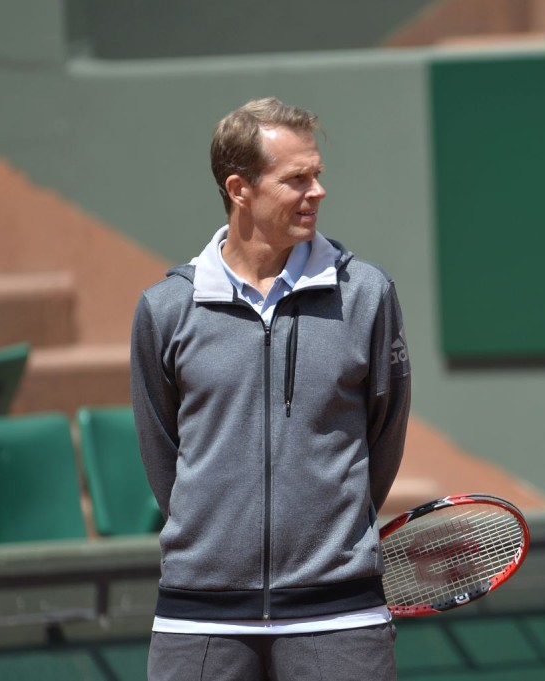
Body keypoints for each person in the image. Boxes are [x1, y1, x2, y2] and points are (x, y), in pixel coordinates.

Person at [130, 97, 411, 681]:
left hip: (338, 616)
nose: (317, 192)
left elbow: (384, 434)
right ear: (240, 189)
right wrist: (214, 536)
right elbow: (164, 456)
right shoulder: (165, 310)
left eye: (317, 175)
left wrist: (331, 537)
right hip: (200, 621)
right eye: (297, 179)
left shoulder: (367, 295)